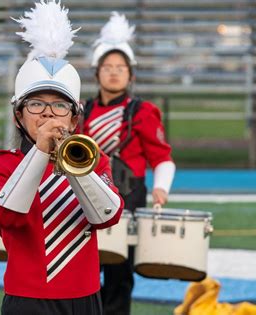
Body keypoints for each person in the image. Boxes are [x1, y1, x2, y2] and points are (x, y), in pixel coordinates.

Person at [0, 1, 125, 314]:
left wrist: (75, 167)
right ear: (18, 115)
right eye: (36, 104)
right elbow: (7, 216)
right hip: (26, 300)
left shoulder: (92, 160)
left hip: (85, 298)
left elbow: (107, 216)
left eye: (60, 106)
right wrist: (42, 150)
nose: (47, 114)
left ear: (73, 119)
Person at [80, 12, 176, 315]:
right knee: (83, 267)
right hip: (85, 195)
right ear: (96, 73)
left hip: (128, 198)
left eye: (120, 68)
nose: (113, 73)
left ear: (130, 74)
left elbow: (162, 158)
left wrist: (161, 189)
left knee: (120, 274)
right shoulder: (81, 110)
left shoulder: (144, 111)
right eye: (107, 67)